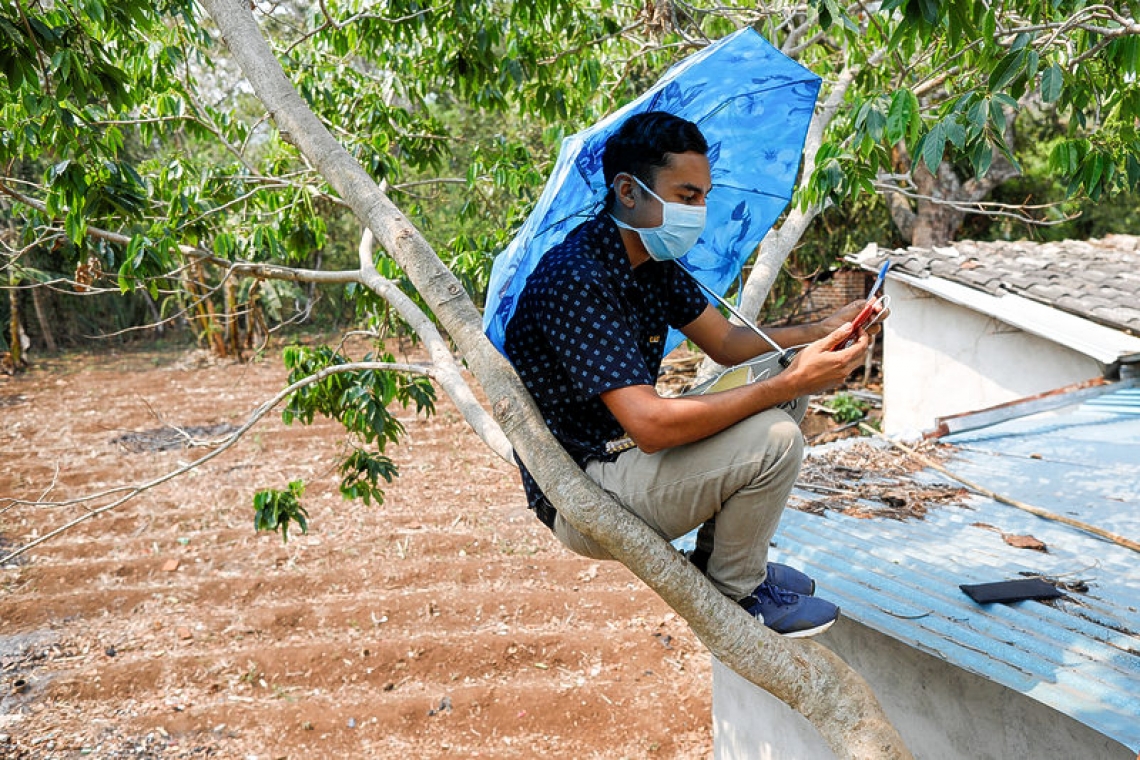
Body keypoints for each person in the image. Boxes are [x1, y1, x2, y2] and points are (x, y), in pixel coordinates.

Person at [503, 111, 882, 637]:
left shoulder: (652, 261)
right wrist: (791, 382)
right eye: (686, 197)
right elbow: (651, 427)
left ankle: (724, 561)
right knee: (776, 434)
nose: (699, 212)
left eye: (703, 196)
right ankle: (738, 592)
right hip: (586, 492)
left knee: (776, 368)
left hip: (627, 458)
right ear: (628, 191)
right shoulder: (578, 278)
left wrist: (821, 328)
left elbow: (727, 344)